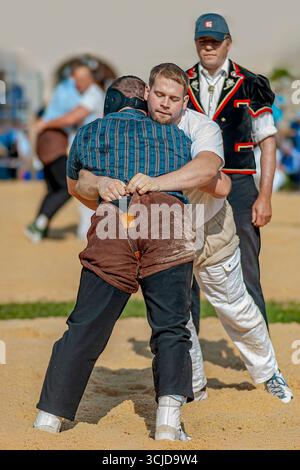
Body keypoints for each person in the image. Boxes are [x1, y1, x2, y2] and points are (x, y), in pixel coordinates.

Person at [77, 64, 293, 406]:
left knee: (236, 308)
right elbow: (86, 176)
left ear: (184, 101)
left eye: (173, 98)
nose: (165, 103)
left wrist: (157, 181)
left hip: (210, 228)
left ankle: (269, 374)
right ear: (147, 94)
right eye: (159, 95)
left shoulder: (200, 126)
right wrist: (98, 184)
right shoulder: (135, 128)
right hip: (164, 231)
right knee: (177, 316)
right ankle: (193, 386)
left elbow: (211, 172)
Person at [33, 69, 223, 441]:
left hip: (115, 220)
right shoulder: (177, 133)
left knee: (86, 324)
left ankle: (49, 417)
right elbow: (214, 175)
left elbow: (76, 187)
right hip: (169, 222)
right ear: (146, 98)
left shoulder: (92, 131)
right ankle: (168, 422)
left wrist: (100, 182)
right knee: (171, 326)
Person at [186, 13, 277, 327]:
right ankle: (184, 354)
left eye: (214, 41)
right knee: (184, 268)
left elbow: (267, 142)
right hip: (191, 186)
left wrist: (264, 196)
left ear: (228, 43)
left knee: (247, 268)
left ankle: (263, 359)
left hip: (238, 185)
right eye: (203, 41)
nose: (208, 47)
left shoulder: (252, 84)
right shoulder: (180, 82)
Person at [33, 60, 105, 241]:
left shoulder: (93, 94)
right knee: (81, 189)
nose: (76, 85)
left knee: (86, 189)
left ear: (87, 79)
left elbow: (73, 118)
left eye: (79, 80)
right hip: (84, 151)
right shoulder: (87, 94)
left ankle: (88, 231)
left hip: (91, 151)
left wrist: (45, 123)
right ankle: (86, 231)